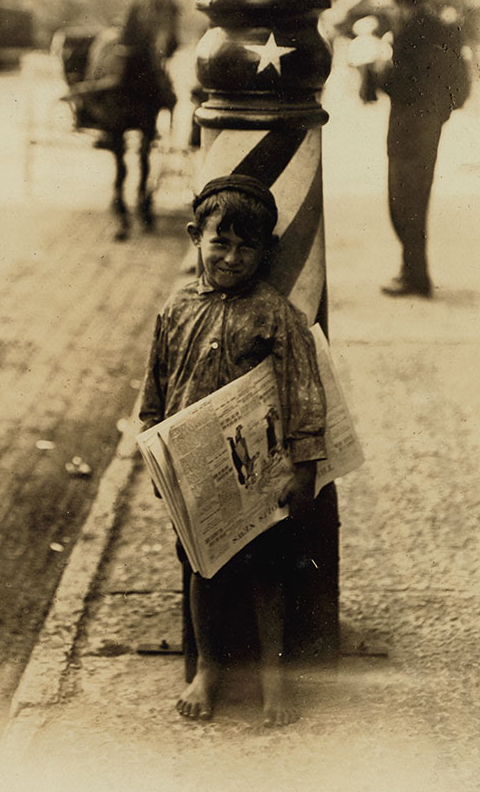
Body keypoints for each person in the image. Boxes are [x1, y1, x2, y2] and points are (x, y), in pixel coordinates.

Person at [139, 174, 327, 726]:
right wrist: (157, 458)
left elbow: (303, 392)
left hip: (260, 472)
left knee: (268, 573)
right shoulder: (176, 309)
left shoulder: (275, 315)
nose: (232, 257)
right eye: (220, 242)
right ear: (195, 237)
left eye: (247, 246)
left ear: (267, 249)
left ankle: (273, 677)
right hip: (196, 475)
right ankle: (208, 668)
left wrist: (304, 467)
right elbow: (155, 388)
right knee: (204, 569)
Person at [375, 0, 466, 298]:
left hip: (410, 125)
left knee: (404, 201)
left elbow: (402, 81)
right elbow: (458, 80)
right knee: (411, 199)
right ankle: (412, 270)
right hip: (425, 124)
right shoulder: (438, 27)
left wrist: (380, 73)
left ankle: (415, 276)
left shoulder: (413, 30)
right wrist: (443, 112)